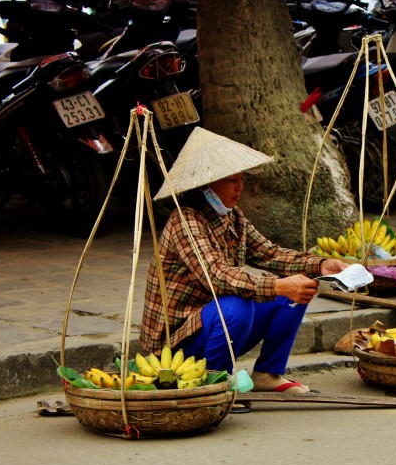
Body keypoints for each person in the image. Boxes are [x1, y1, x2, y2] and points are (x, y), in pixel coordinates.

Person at [141, 127, 348, 394]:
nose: (240, 187)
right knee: (238, 304)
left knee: (296, 291)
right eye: (231, 180)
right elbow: (217, 276)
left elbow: (270, 254)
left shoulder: (232, 217)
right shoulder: (184, 220)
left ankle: (268, 373)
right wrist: (277, 287)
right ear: (205, 184)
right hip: (179, 341)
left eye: (241, 179)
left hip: (215, 324)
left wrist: (320, 265)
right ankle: (215, 384)